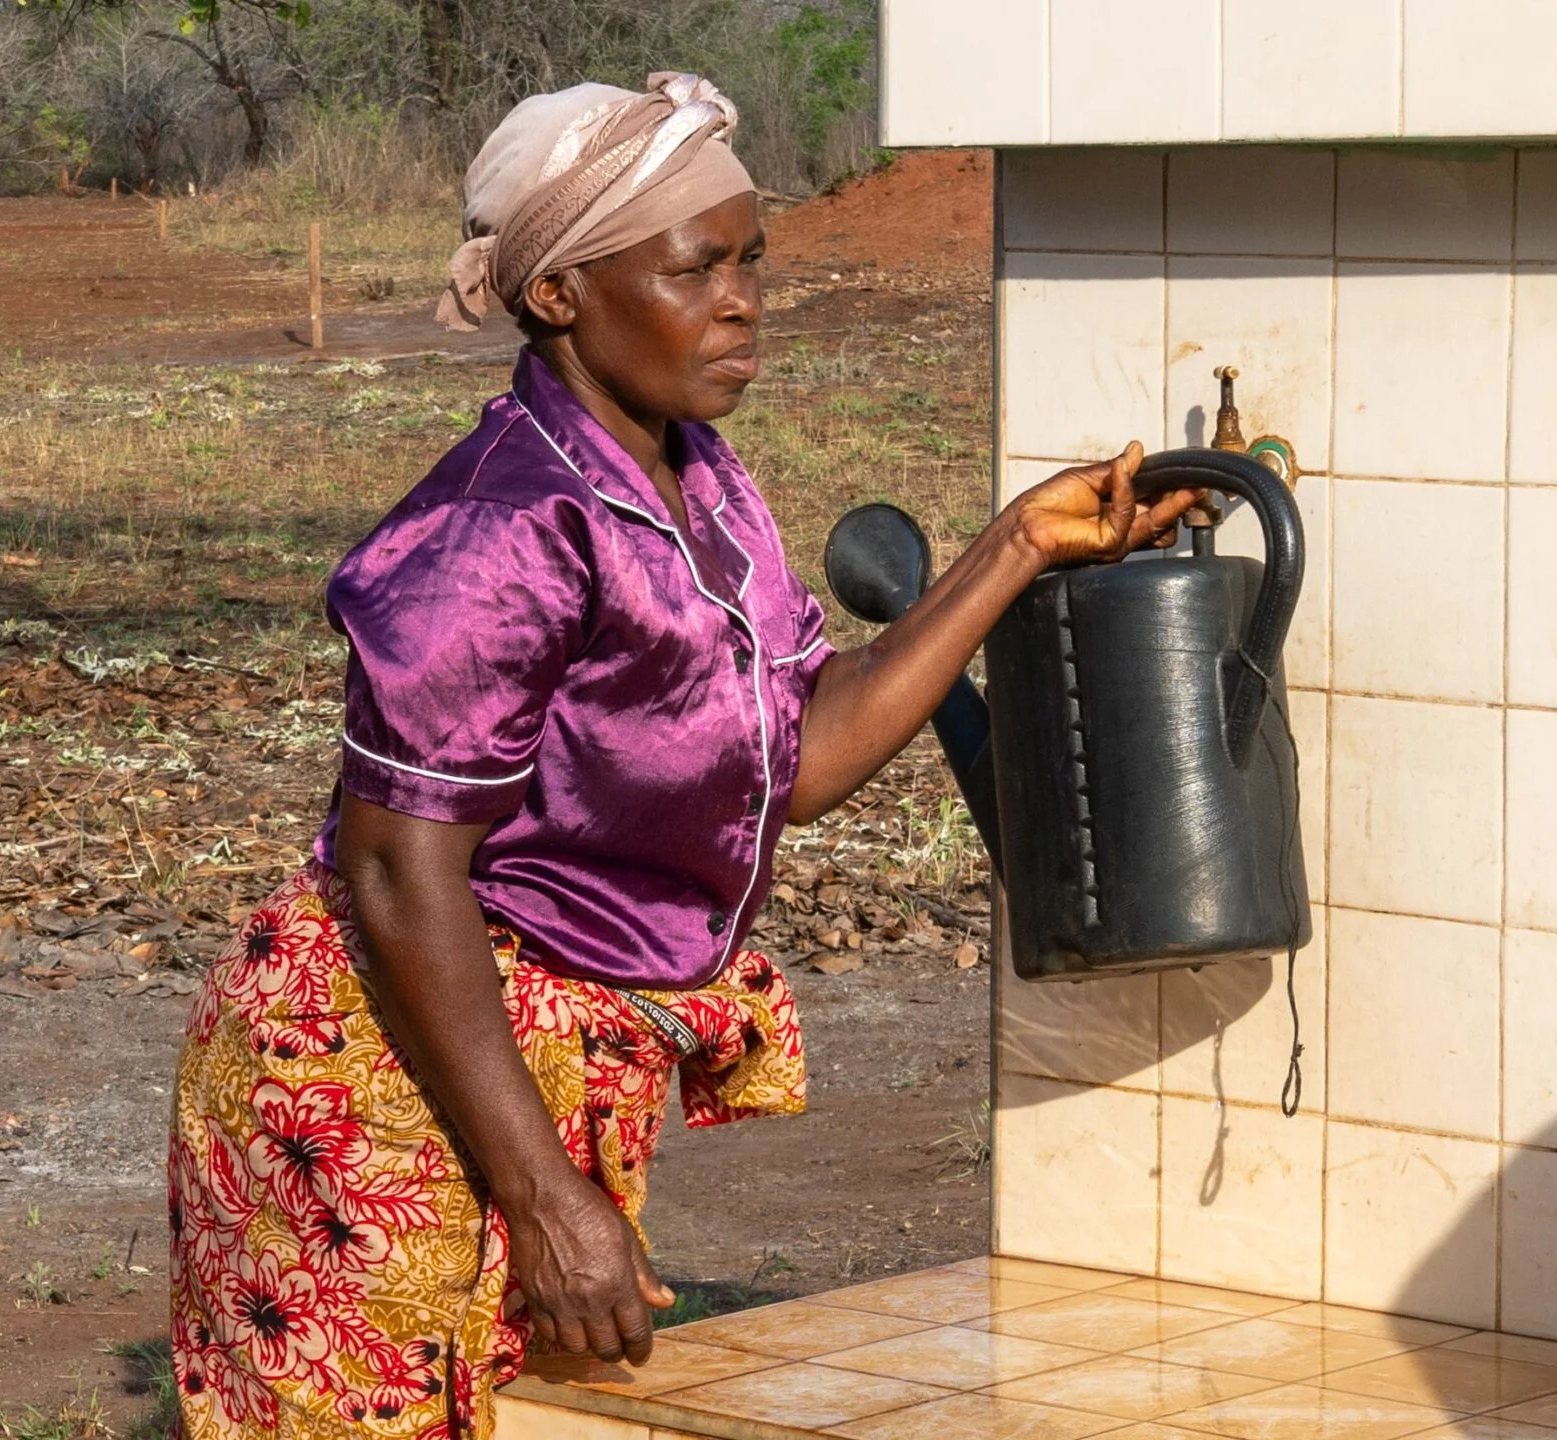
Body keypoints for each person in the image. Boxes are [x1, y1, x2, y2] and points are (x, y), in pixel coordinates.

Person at [167, 72, 1201, 1440]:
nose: (742, 299)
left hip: (518, 1061)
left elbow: (799, 754)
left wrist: (1016, 548)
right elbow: (396, 865)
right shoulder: (504, 528)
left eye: (752, 259)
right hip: (371, 1069)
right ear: (560, 296)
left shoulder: (700, 481)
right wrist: (542, 1195)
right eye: (696, 267)